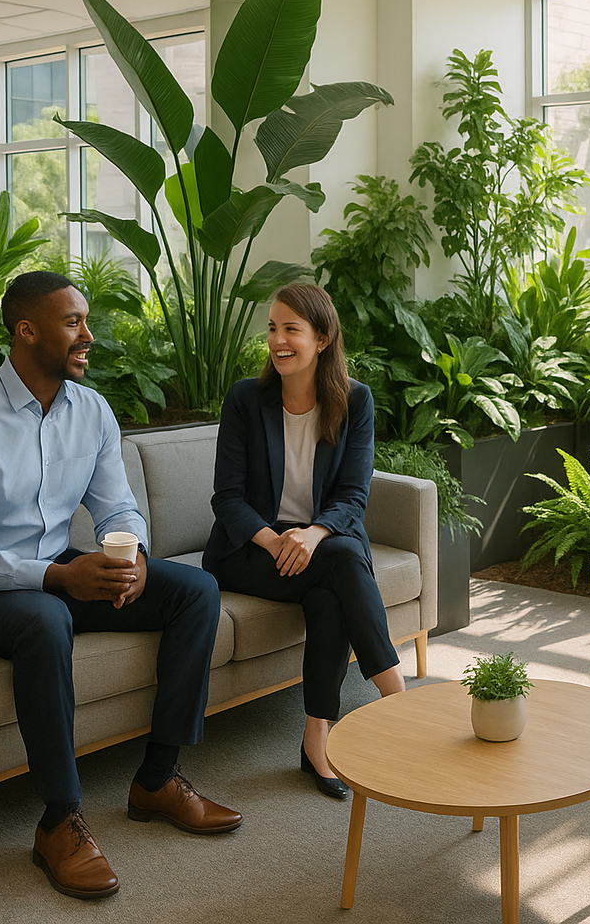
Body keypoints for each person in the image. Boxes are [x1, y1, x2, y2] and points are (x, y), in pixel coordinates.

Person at [0, 271, 240, 902]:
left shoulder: (90, 410)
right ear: (26, 331)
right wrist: (59, 576)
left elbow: (117, 506)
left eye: (85, 322)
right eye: (73, 323)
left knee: (195, 591)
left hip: (58, 567)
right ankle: (59, 821)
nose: (87, 336)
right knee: (47, 619)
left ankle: (156, 778)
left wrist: (134, 556)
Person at [203, 282, 405, 801]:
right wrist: (276, 542)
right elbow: (227, 498)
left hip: (322, 545)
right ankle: (398, 699)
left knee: (329, 585)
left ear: (322, 337)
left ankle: (317, 739)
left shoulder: (354, 400)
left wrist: (313, 534)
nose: (278, 340)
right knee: (341, 562)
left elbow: (353, 495)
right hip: (249, 550)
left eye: (291, 328)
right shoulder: (246, 399)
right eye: (273, 328)